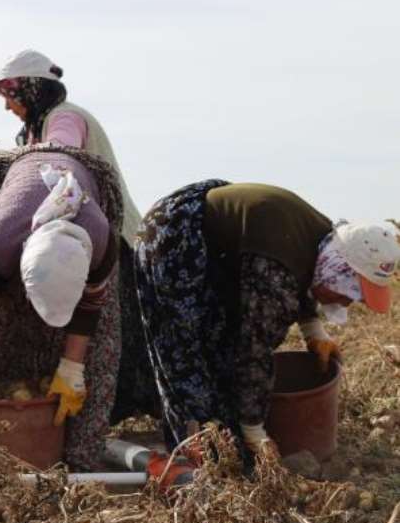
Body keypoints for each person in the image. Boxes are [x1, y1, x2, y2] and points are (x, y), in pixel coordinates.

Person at [132, 182, 398, 456]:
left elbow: (305, 270)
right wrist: (255, 432)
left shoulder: (331, 242)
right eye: (351, 293)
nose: (348, 302)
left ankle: (224, 432)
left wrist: (313, 330)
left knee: (223, 347)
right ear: (338, 271)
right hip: (174, 236)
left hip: (217, 246)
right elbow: (254, 351)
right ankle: (196, 460)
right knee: (188, 355)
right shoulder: (277, 275)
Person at [0, 50, 157, 422]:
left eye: (11, 97)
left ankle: (113, 415)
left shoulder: (64, 118)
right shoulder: (40, 122)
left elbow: (58, 157)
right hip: (78, 235)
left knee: (116, 336)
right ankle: (108, 415)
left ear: (33, 90)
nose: (8, 107)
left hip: (108, 237)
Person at [0, 145, 126, 469]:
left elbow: (92, 304)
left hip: (84, 171)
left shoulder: (100, 244)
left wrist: (72, 369)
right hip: (13, 176)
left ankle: (80, 459)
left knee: (100, 347)